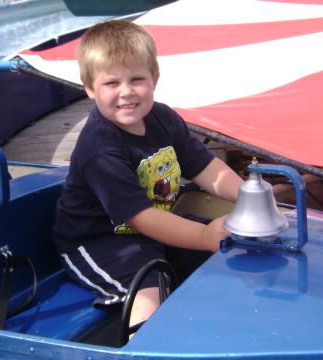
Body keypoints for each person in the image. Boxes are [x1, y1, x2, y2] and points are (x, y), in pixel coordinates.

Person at [52, 19, 243, 330]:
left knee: (225, 254)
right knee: (150, 282)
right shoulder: (100, 149)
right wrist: (205, 236)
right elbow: (141, 217)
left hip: (150, 228)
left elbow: (205, 167)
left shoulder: (163, 117)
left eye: (137, 79)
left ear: (154, 78)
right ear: (90, 88)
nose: (126, 92)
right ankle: (141, 343)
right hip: (98, 240)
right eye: (111, 83)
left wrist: (247, 195)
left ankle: (222, 324)